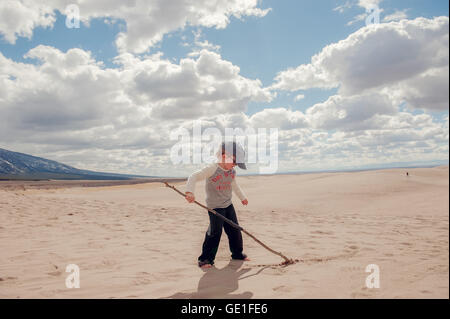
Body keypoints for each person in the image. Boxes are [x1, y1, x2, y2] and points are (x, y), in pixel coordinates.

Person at [185, 141, 249, 269]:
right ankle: (205, 259)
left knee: (234, 229)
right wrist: (189, 192)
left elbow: (234, 185)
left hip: (228, 204)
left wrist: (242, 197)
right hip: (215, 207)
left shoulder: (231, 172)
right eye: (235, 162)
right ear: (225, 156)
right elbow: (193, 177)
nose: (235, 165)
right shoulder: (212, 169)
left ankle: (237, 254)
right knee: (215, 232)